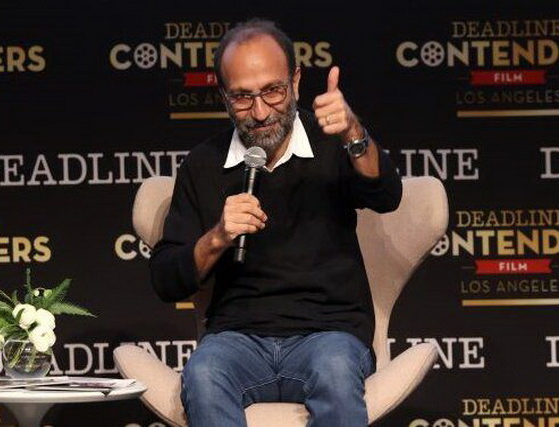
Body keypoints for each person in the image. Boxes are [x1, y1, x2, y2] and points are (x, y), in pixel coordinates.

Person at [150, 18, 402, 427]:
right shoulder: (204, 164)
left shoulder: (332, 144)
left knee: (335, 371)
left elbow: (386, 195)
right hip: (237, 340)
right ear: (223, 96)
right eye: (242, 97)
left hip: (328, 335)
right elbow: (166, 279)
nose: (261, 111)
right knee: (204, 374)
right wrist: (218, 236)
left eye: (273, 90)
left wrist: (354, 132)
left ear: (296, 81)